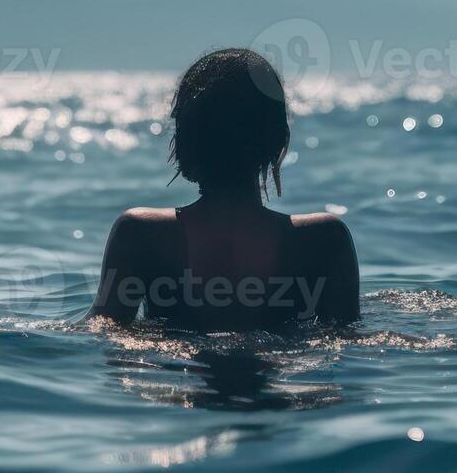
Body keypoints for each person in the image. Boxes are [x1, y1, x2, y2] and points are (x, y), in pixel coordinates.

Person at [91, 48, 360, 331]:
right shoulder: (324, 240)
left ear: (184, 142)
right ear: (278, 141)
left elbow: (104, 332)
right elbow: (347, 343)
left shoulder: (140, 234)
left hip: (176, 366)